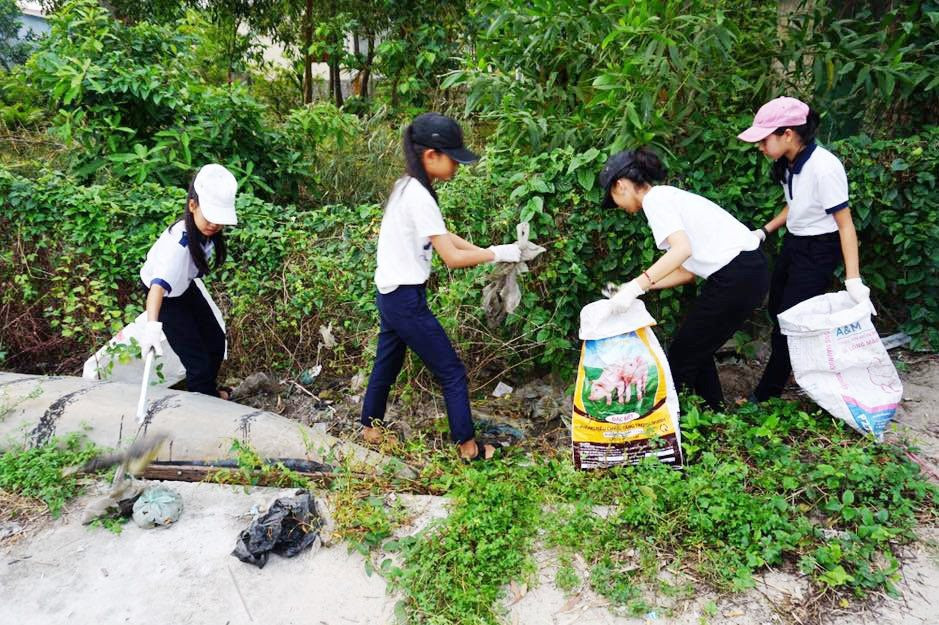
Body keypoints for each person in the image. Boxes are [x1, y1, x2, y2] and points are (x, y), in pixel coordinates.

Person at [360, 112, 522, 461]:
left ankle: (370, 428)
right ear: (430, 155)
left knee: (386, 365)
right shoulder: (418, 195)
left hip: (390, 294)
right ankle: (467, 447)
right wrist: (495, 254)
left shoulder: (406, 187)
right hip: (404, 298)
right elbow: (450, 256)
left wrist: (491, 252)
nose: (458, 166)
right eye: (454, 158)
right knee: (451, 371)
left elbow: (442, 236)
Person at [599, 148, 769, 411]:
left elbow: (681, 250)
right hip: (745, 271)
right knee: (694, 347)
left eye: (613, 199)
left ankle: (669, 422)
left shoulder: (656, 200)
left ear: (620, 186)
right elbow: (685, 271)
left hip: (737, 273)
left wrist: (635, 286)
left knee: (682, 353)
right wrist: (632, 290)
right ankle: (714, 413)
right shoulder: (667, 197)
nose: (619, 208)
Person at [738, 96, 871, 402]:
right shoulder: (789, 162)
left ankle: (767, 394)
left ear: (787, 133)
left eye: (763, 139)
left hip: (819, 250)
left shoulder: (824, 168)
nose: (760, 147)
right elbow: (796, 205)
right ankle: (800, 365)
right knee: (777, 310)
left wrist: (853, 278)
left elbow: (845, 224)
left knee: (790, 322)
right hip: (794, 243)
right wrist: (764, 230)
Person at [138, 164, 238, 399]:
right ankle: (204, 408)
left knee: (215, 341)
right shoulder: (176, 247)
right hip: (166, 298)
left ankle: (205, 391)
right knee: (198, 361)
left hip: (184, 287)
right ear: (193, 205)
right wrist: (152, 327)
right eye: (211, 217)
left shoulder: (205, 234)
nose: (215, 225)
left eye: (219, 219)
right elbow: (157, 288)